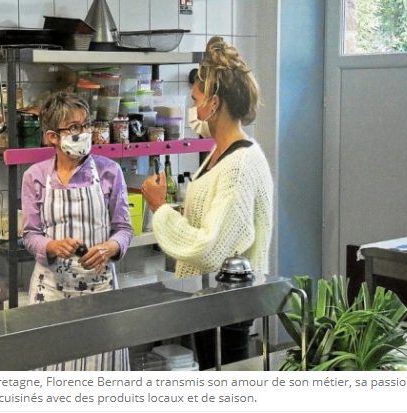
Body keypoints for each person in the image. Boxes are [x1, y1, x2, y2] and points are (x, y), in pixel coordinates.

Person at [141, 36, 273, 369]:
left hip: (227, 305)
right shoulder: (220, 152)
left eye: (195, 98)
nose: (192, 106)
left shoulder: (240, 165)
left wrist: (161, 208)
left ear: (213, 104)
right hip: (209, 298)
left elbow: (210, 247)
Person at [21, 91, 133, 370]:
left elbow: (123, 228)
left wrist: (110, 247)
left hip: (100, 291)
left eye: (86, 126)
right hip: (51, 294)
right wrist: (51, 246)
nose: (83, 134)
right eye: (73, 128)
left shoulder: (110, 172)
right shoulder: (34, 177)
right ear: (52, 137)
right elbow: (30, 234)